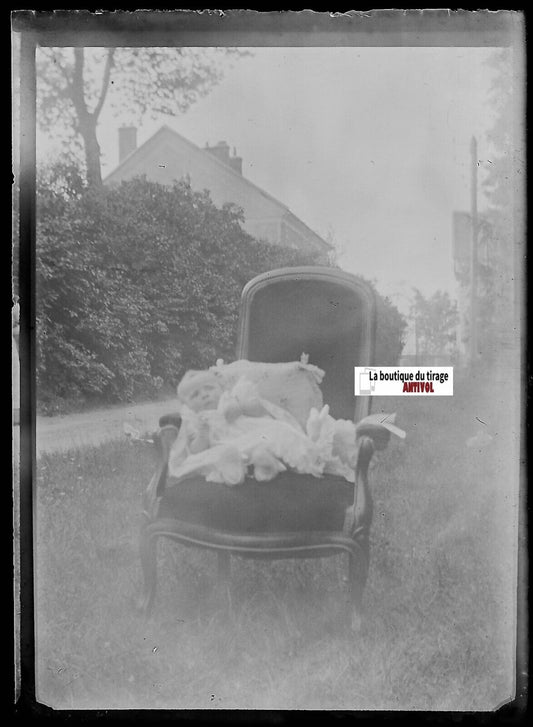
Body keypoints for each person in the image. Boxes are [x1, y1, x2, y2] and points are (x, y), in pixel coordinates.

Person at [168, 364, 363, 487]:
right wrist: (202, 434)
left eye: (208, 389)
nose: (204, 395)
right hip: (229, 447)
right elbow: (194, 452)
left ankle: (267, 464)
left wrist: (240, 407)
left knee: (277, 433)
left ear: (220, 388)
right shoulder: (195, 421)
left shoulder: (233, 396)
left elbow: (260, 410)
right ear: (188, 405)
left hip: (255, 434)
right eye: (195, 395)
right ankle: (239, 469)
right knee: (222, 454)